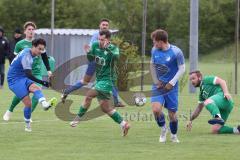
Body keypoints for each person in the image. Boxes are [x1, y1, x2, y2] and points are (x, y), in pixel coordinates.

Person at [70, 30, 130, 136]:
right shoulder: (95, 45)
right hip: (99, 79)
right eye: (99, 39)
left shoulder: (113, 48)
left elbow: (116, 57)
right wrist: (88, 53)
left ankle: (77, 119)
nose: (100, 41)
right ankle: (124, 124)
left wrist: (107, 48)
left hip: (108, 79)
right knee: (105, 107)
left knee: (89, 95)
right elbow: (91, 59)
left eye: (102, 40)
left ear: (108, 39)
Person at [61, 18, 125, 107]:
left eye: (106, 25)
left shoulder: (108, 36)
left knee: (109, 79)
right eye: (103, 25)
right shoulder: (96, 35)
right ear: (100, 26)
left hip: (103, 62)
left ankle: (116, 101)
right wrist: (89, 51)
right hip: (95, 61)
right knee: (86, 81)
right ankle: (67, 91)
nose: (105, 26)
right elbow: (92, 47)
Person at [3, 21, 53, 121]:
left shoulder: (39, 43)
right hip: (23, 73)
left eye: (32, 29)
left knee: (37, 92)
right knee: (22, 93)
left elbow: (44, 57)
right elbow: (14, 58)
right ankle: (10, 110)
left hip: (36, 72)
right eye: (29, 29)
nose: (31, 31)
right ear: (25, 31)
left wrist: (48, 70)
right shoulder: (20, 44)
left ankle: (28, 115)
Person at [7, 38, 57, 132]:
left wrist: (49, 70)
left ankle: (44, 104)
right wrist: (43, 82)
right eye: (39, 49)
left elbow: (44, 55)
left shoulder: (35, 50)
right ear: (33, 47)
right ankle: (27, 126)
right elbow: (28, 75)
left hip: (21, 76)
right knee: (28, 103)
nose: (41, 51)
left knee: (36, 87)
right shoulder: (27, 56)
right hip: (14, 79)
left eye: (42, 49)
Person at [150, 29, 185, 143]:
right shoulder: (154, 50)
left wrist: (172, 82)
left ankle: (174, 135)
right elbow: (152, 65)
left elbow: (182, 69)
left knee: (172, 114)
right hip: (158, 86)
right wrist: (156, 81)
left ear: (161, 41)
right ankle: (164, 129)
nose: (154, 44)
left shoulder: (176, 52)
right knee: (156, 110)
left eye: (155, 41)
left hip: (171, 87)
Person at [186, 70, 240, 134]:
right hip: (222, 106)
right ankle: (237, 130)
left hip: (224, 98)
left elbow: (222, 81)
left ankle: (217, 117)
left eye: (193, 78)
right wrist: (190, 119)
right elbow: (198, 109)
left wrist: (226, 93)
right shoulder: (201, 94)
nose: (192, 81)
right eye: (190, 79)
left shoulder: (207, 79)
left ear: (199, 77)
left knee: (207, 102)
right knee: (215, 130)